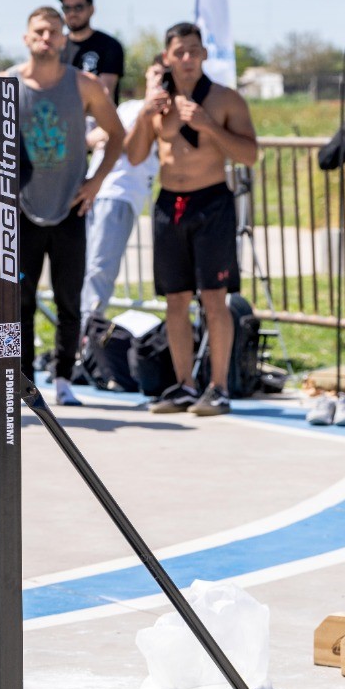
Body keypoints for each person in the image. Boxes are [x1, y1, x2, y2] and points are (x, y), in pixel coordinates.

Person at [125, 22, 258, 417]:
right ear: (167, 57)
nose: (186, 59)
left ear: (204, 55)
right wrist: (146, 111)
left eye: (194, 51)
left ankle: (217, 387)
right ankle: (184, 385)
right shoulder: (159, 103)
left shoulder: (225, 98)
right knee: (176, 300)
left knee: (214, 299)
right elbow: (133, 156)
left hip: (212, 203)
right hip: (169, 204)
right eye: (179, 52)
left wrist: (208, 125)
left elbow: (250, 155)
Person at [5, 8, 124, 406]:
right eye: (38, 31)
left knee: (68, 298)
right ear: (26, 38)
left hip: (71, 208)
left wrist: (96, 181)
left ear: (63, 40)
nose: (46, 37)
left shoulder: (85, 85)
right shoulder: (5, 83)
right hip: (21, 208)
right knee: (18, 298)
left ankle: (63, 379)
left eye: (53, 31)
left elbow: (117, 134)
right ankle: (21, 377)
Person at [79, 63, 161, 332]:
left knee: (100, 267)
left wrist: (115, 135)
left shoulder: (164, 113)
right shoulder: (128, 108)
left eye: (165, 77)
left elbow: (128, 147)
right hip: (93, 189)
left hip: (121, 194)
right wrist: (110, 134)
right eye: (155, 74)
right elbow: (93, 136)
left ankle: (87, 333)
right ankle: (80, 331)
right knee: (84, 265)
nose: (160, 82)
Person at [55, 0, 125, 103]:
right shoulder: (55, 46)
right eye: (67, 8)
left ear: (91, 10)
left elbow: (104, 95)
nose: (72, 13)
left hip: (94, 119)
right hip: (58, 119)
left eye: (78, 7)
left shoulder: (109, 45)